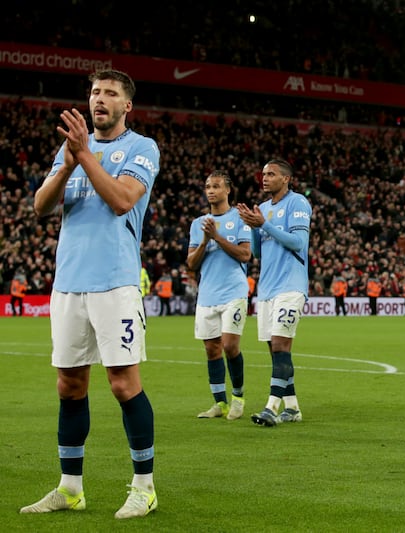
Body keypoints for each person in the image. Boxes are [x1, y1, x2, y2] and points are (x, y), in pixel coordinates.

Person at [22, 69, 160, 518]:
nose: (100, 99)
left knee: (123, 384)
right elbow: (41, 207)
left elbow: (122, 200)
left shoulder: (141, 148)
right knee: (69, 385)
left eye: (110, 94)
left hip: (115, 283)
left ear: (127, 107)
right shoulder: (71, 152)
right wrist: (68, 161)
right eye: (95, 92)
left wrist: (85, 156)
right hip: (68, 284)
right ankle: (70, 488)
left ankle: (144, 487)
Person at [237, 158, 312, 427]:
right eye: (263, 173)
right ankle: (292, 407)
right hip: (266, 287)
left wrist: (264, 225)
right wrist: (254, 226)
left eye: (271, 174)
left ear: (286, 179)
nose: (265, 178)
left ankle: (271, 407)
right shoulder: (264, 208)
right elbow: (257, 252)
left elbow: (298, 242)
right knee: (275, 350)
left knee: (281, 344)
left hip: (290, 286)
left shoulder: (298, 203)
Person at [187, 171, 252, 421]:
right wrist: (205, 240)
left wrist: (217, 237)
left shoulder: (239, 218)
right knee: (211, 350)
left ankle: (238, 398)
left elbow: (245, 255)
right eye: (207, 186)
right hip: (206, 295)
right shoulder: (198, 224)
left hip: (233, 292)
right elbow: (191, 263)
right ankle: (220, 404)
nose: (211, 190)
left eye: (216, 186)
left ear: (228, 190)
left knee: (230, 345)